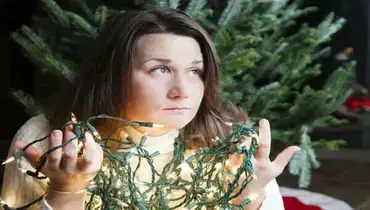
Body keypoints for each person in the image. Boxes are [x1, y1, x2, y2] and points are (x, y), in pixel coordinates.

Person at [1, 6, 300, 210]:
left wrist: (250, 196)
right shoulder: (48, 141)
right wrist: (65, 192)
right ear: (113, 76)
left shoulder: (231, 145)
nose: (182, 91)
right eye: (160, 69)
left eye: (195, 71)